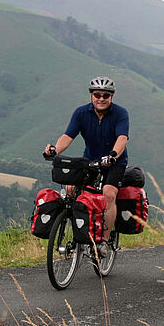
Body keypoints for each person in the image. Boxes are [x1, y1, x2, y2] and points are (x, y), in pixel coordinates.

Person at [45, 76, 129, 258]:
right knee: (71, 189)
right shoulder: (81, 113)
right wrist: (55, 150)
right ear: (91, 95)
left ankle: (104, 241)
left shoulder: (120, 113)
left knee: (108, 194)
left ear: (112, 96)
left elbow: (122, 138)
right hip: (90, 159)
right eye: (97, 94)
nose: (101, 98)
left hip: (115, 162)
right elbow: (68, 135)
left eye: (105, 95)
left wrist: (113, 155)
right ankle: (81, 230)